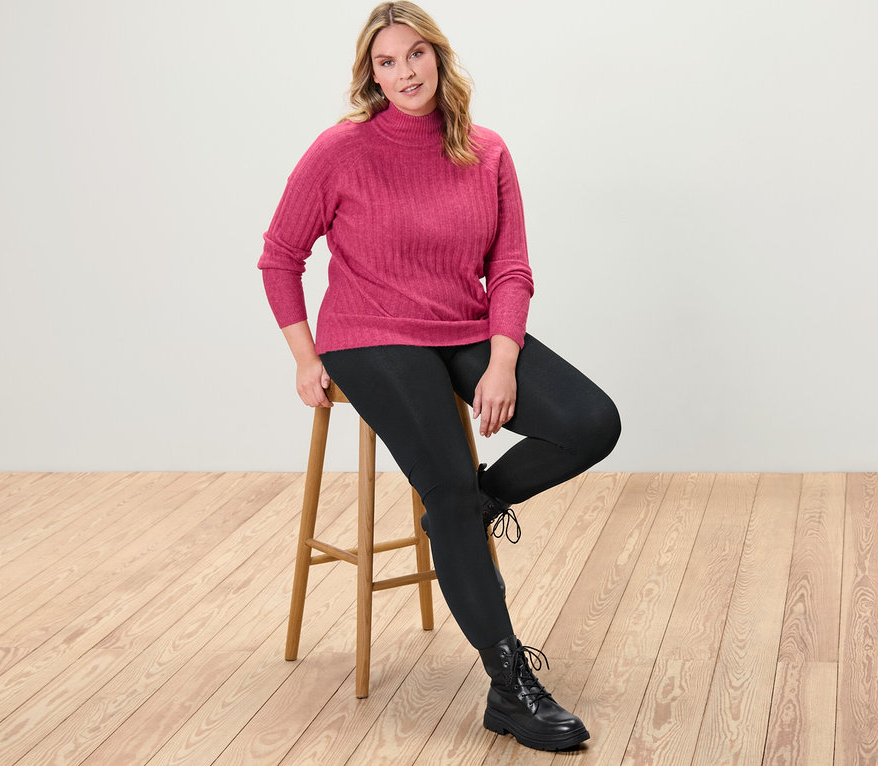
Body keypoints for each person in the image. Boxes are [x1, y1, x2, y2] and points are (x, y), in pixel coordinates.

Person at [259, 1, 620, 752]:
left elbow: (511, 268)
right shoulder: (341, 149)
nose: (403, 73)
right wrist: (303, 357)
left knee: (590, 422)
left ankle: (470, 509)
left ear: (439, 57)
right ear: (370, 74)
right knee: (447, 487)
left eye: (413, 56)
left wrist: (503, 358)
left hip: (463, 324)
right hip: (370, 333)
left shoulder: (485, 150)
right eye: (385, 63)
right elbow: (280, 256)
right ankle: (509, 683)